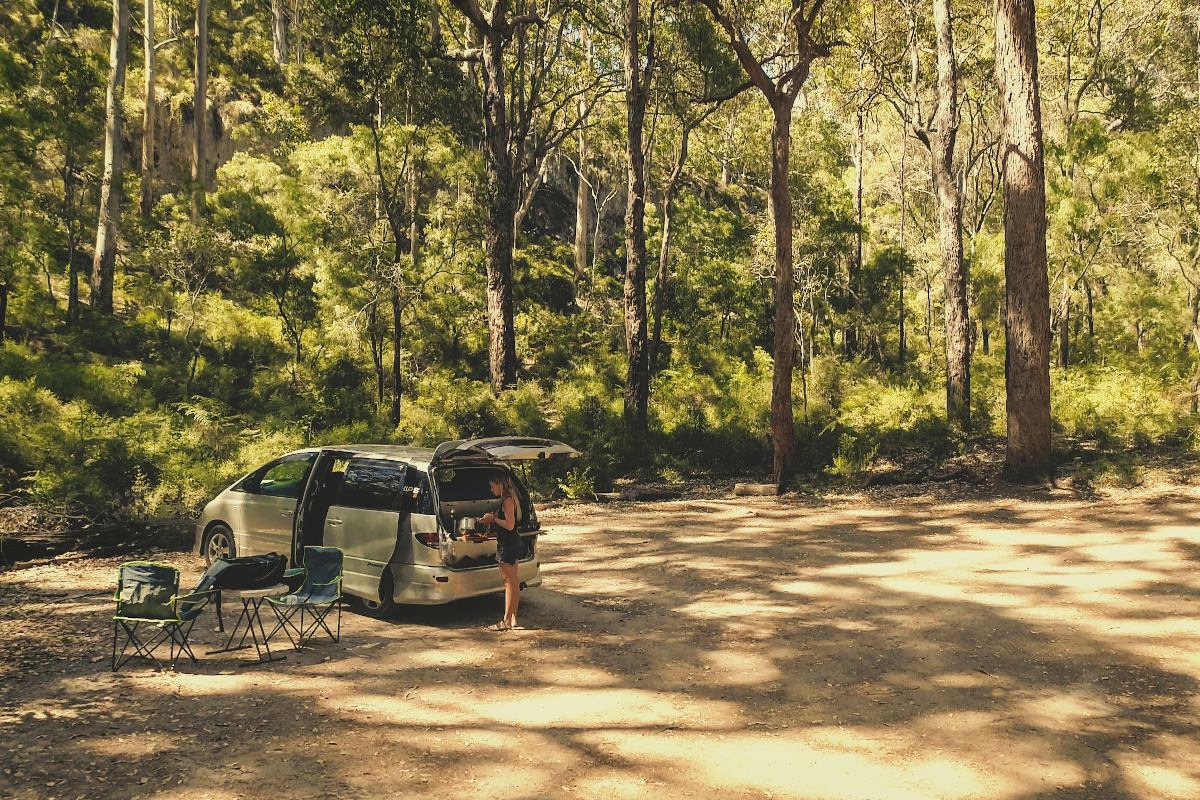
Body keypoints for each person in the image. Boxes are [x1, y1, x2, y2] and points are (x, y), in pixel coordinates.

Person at [479, 473, 522, 631]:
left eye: (492, 486)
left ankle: (505, 621)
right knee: (513, 582)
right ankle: (513, 618)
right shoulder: (509, 499)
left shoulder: (508, 500)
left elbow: (510, 525)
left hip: (508, 545)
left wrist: (494, 519)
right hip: (512, 543)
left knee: (509, 583)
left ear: (500, 484)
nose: (491, 489)